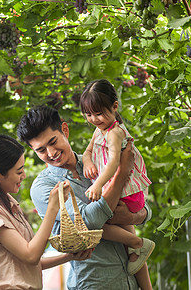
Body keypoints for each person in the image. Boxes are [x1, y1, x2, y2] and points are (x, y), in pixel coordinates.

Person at [17, 104, 153, 290]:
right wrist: (121, 175)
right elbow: (89, 220)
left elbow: (137, 201)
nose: (51, 153)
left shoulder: (99, 160)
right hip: (95, 283)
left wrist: (134, 217)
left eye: (53, 141)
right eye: (41, 150)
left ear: (65, 129)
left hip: (132, 281)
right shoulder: (44, 187)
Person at [0, 134, 92, 290]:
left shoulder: (9, 203)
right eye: (19, 172)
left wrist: (70, 257)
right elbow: (31, 255)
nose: (23, 176)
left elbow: (28, 264)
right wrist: (53, 207)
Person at [80, 79, 155, 277]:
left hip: (129, 191)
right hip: (118, 188)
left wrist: (97, 184)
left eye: (98, 113)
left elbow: (114, 163)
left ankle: (137, 244)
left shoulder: (114, 133)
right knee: (110, 222)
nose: (94, 119)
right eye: (88, 115)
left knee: (98, 222)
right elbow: (87, 152)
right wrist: (88, 163)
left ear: (114, 107)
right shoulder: (100, 130)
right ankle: (135, 250)